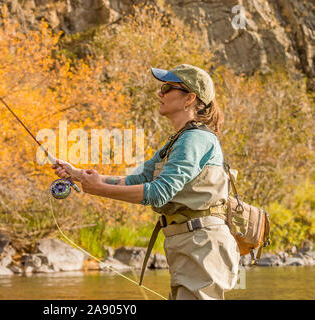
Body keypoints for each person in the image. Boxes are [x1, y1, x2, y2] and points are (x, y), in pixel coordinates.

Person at [51, 64, 240, 300]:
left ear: (189, 98)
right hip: (188, 244)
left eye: (167, 88)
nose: (159, 94)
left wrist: (100, 189)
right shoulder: (178, 141)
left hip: (201, 246)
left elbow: (159, 192)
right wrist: (79, 175)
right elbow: (138, 180)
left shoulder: (196, 139)